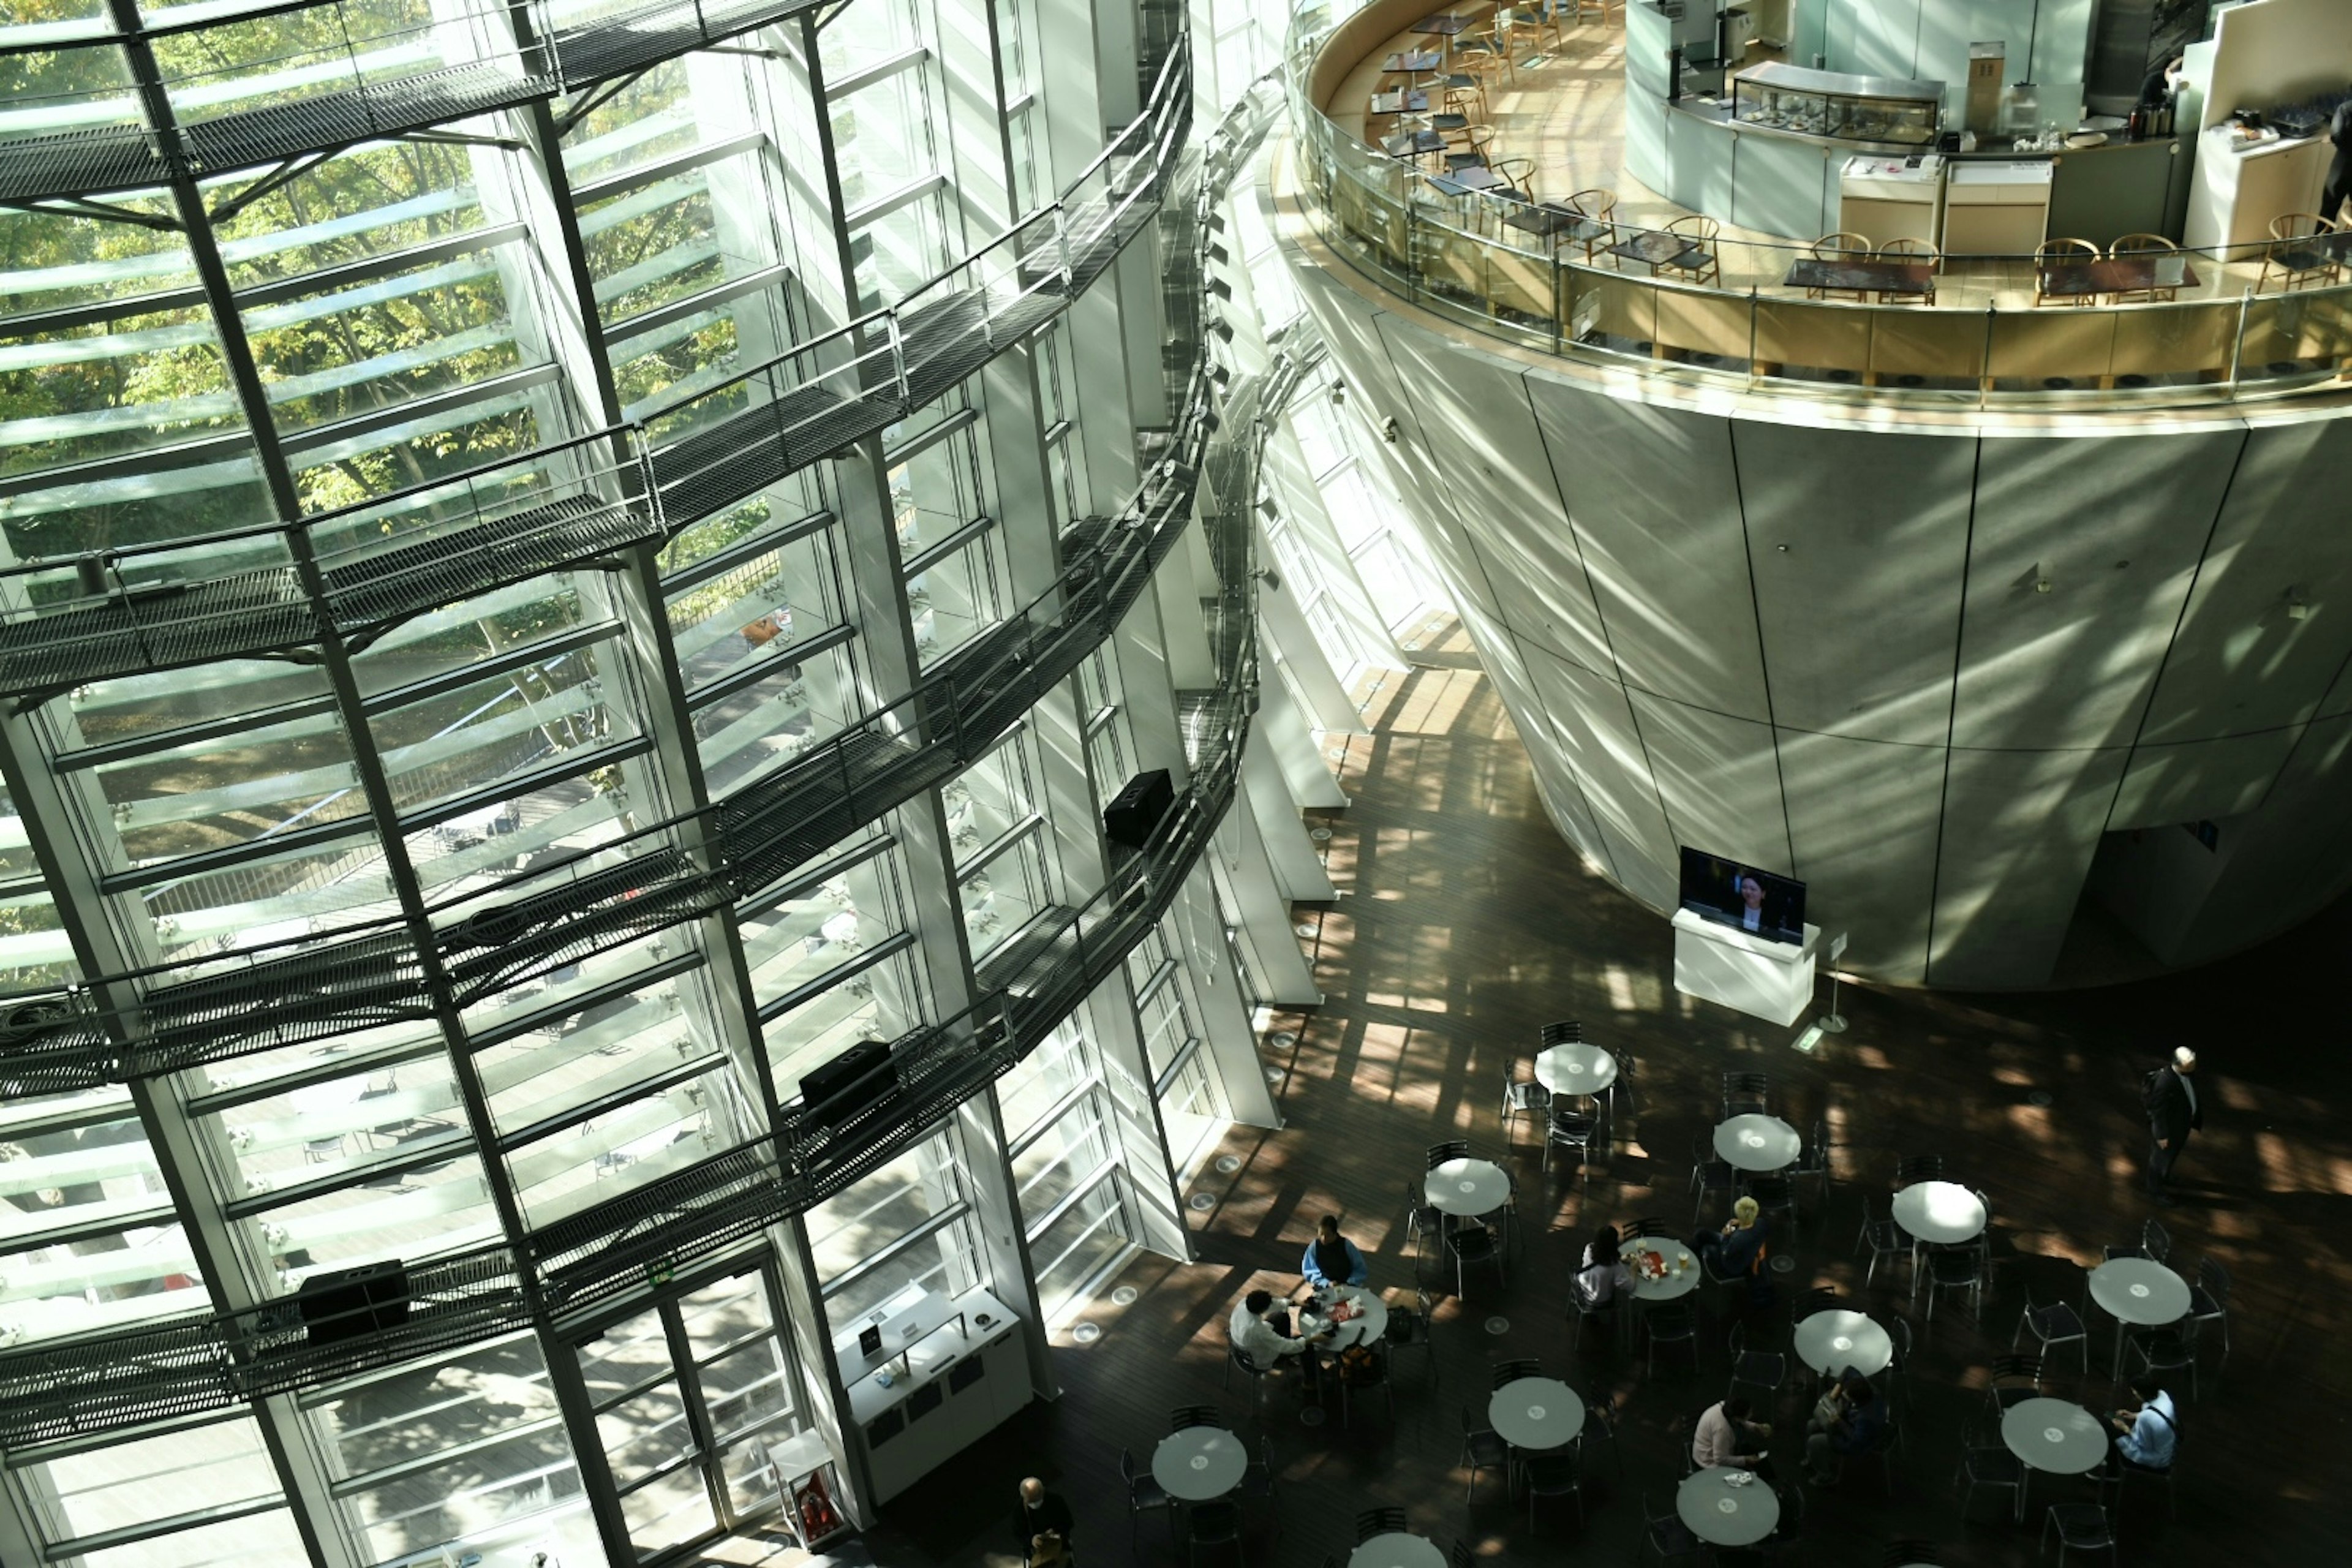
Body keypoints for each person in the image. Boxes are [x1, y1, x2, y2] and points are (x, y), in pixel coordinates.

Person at [2142, 1046, 2203, 1205]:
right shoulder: (2165, 1083)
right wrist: (2161, 1135)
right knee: (2159, 1160)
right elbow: (2158, 1112)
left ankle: (2166, 1176)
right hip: (2169, 1131)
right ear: (2179, 1064)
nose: (2194, 1064)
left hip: (2181, 1126)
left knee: (2171, 1155)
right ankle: (2155, 1190)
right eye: (2190, 1062)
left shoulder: (2187, 1074)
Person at [1803, 1373, 1884, 1485]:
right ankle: (1812, 1457)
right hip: (1848, 1422)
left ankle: (1825, 1476)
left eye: (1847, 1397)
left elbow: (1855, 1442)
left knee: (1814, 1442)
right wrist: (1835, 1393)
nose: (1843, 1395)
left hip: (1854, 1441)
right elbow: (1849, 1371)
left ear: (1856, 1400)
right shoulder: (1865, 1388)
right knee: (1811, 1425)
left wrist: (1837, 1425)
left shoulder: (1866, 1420)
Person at [1229, 1287, 1331, 1373]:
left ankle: (1289, 1358)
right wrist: (1316, 1338)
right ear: (1262, 1310)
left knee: (1281, 1316)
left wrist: (1297, 1303)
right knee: (1307, 1344)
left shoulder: (1244, 1304)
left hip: (1240, 1343)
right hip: (1259, 1358)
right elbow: (1287, 1346)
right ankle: (1311, 1381)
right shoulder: (1256, 1330)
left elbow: (1274, 1304)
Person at [1695, 1196, 1771, 1302]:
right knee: (1702, 1233)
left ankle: (1696, 1274)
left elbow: (1725, 1255)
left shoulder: (1738, 1239)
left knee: (1706, 1248)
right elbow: (1763, 1237)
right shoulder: (1761, 1223)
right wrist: (1742, 1222)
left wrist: (1726, 1235)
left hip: (1731, 1266)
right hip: (1743, 1252)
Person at [2108, 1373, 2177, 1472]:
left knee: (2109, 1427)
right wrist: (2134, 1415)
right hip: (2168, 1448)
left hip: (2155, 1458)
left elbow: (2143, 1444)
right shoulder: (2163, 1395)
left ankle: (2111, 1471)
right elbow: (2159, 1416)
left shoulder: (2145, 1418)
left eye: (2135, 1393)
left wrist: (2125, 1429)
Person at [1692, 1395, 1773, 1476]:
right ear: (1737, 1418)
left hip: (1723, 1448)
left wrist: (1756, 1427)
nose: (1752, 1414)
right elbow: (1720, 1460)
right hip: (1709, 1461)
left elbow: (1740, 1421)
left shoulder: (1728, 1408)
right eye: (1749, 1413)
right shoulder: (1722, 1429)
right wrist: (1745, 1460)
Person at [1012, 1477, 1074, 1566]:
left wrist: (1055, 1531)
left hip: (1060, 1549)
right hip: (1036, 1555)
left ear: (1043, 1491)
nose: (1035, 1503)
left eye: (1037, 1499)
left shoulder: (1056, 1500)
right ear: (1024, 1497)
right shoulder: (1019, 1511)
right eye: (1031, 1501)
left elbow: (1068, 1522)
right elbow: (1018, 1534)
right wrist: (1032, 1540)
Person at [1298, 1214, 1368, 1288]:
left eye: (1327, 1235)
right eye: (1321, 1234)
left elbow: (1360, 1269)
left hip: (1348, 1286)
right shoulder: (1314, 1247)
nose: (1323, 1239)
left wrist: (1349, 1283)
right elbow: (1309, 1271)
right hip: (1325, 1287)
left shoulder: (1346, 1245)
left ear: (1334, 1233)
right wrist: (1326, 1283)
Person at [1573, 1231, 1630, 1309]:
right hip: (1599, 1299)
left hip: (1582, 1289)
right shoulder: (1615, 1266)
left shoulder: (1589, 1248)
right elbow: (1629, 1285)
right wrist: (1634, 1268)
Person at [2324, 99, 2352, 226]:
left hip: (2344, 165)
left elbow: (2337, 135)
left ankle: (2321, 245)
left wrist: (2331, 139)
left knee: (2329, 210)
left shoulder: (2345, 109)